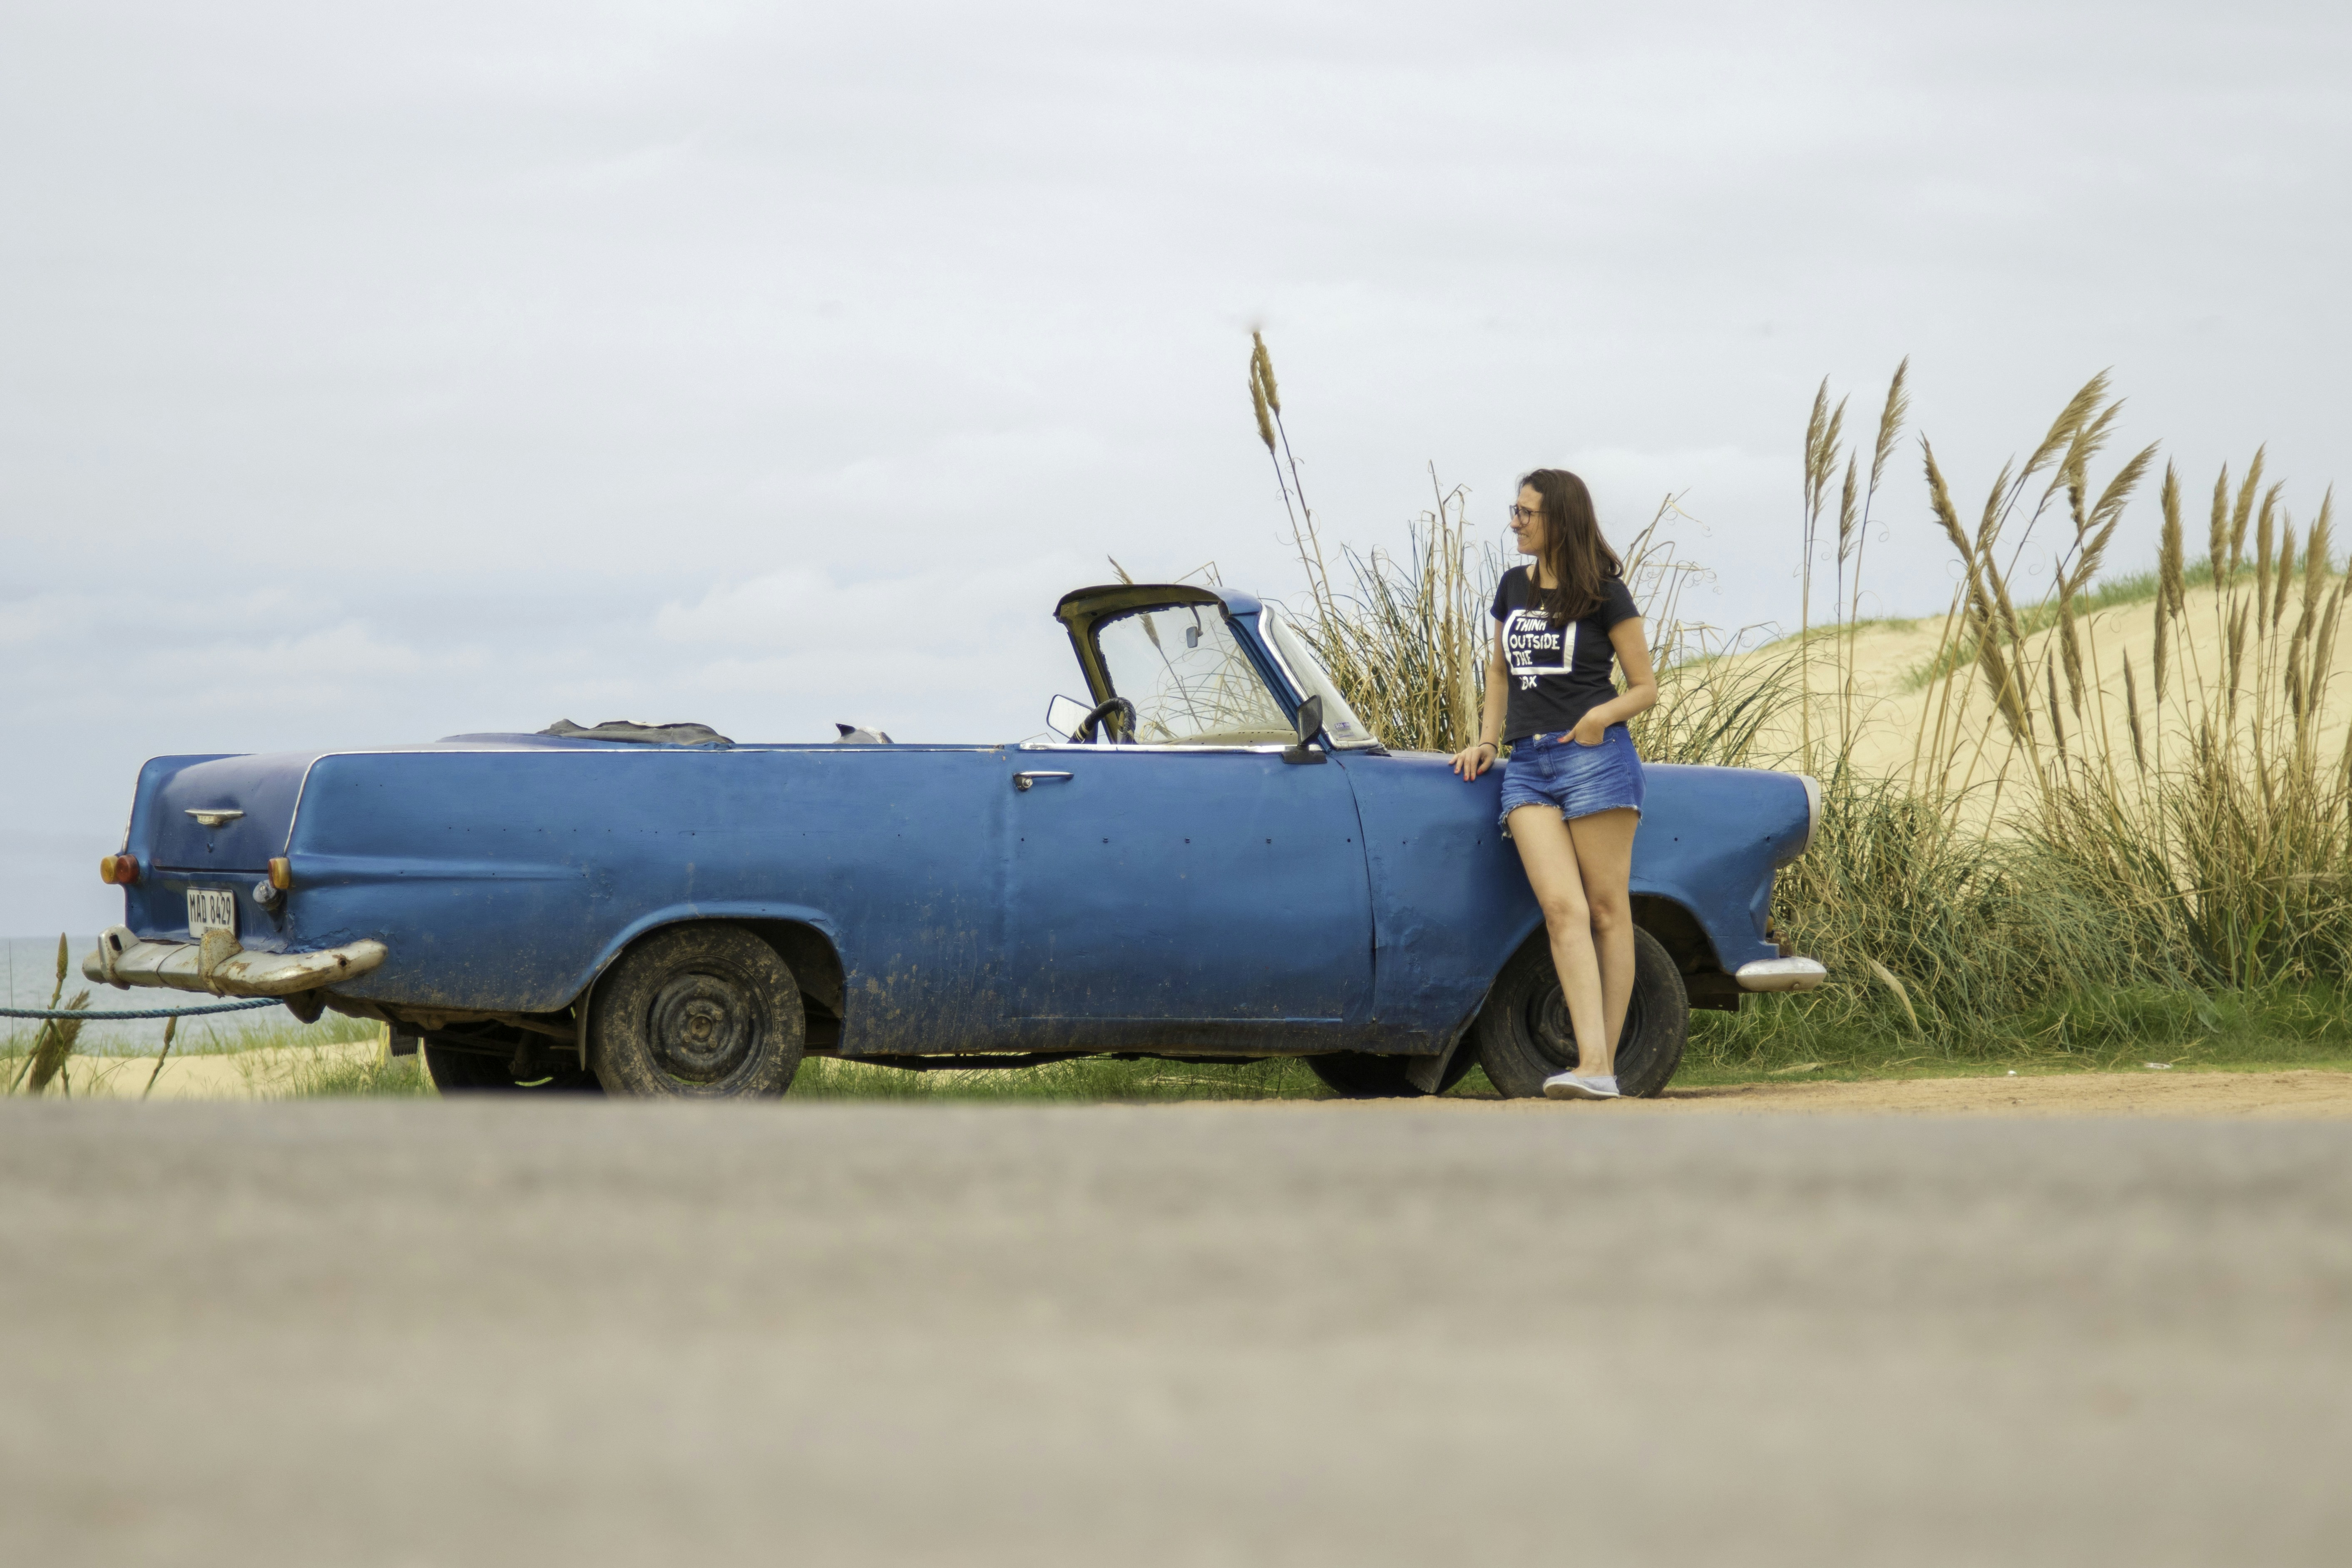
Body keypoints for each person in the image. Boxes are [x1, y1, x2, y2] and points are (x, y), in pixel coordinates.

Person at [1450, 469, 1658, 1100]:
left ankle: (1600, 1066)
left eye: (1525, 513)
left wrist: (1598, 716)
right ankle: (1593, 1067)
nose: (1514, 522)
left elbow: (1645, 688)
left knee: (1603, 909)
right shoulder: (1512, 586)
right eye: (1513, 511)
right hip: (1527, 767)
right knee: (1561, 910)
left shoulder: (1603, 591)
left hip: (1595, 760)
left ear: (1558, 518)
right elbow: (1497, 674)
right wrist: (1487, 741)